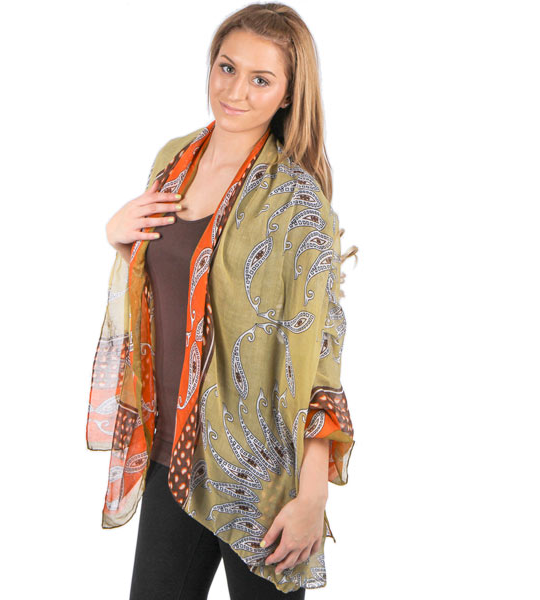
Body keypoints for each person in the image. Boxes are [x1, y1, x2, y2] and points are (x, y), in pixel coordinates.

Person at [86, 3, 358, 598]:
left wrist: (312, 495)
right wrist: (118, 237)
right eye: (227, 68)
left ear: (288, 94)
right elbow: (163, 284)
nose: (235, 91)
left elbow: (321, 353)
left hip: (260, 474)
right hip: (173, 455)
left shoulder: (297, 201)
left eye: (261, 79)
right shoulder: (175, 159)